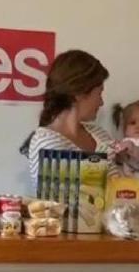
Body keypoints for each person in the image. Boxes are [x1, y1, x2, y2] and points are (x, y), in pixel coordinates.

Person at [19, 49, 113, 187]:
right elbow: (64, 199)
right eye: (99, 94)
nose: (101, 102)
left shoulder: (100, 134)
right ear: (79, 94)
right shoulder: (45, 142)